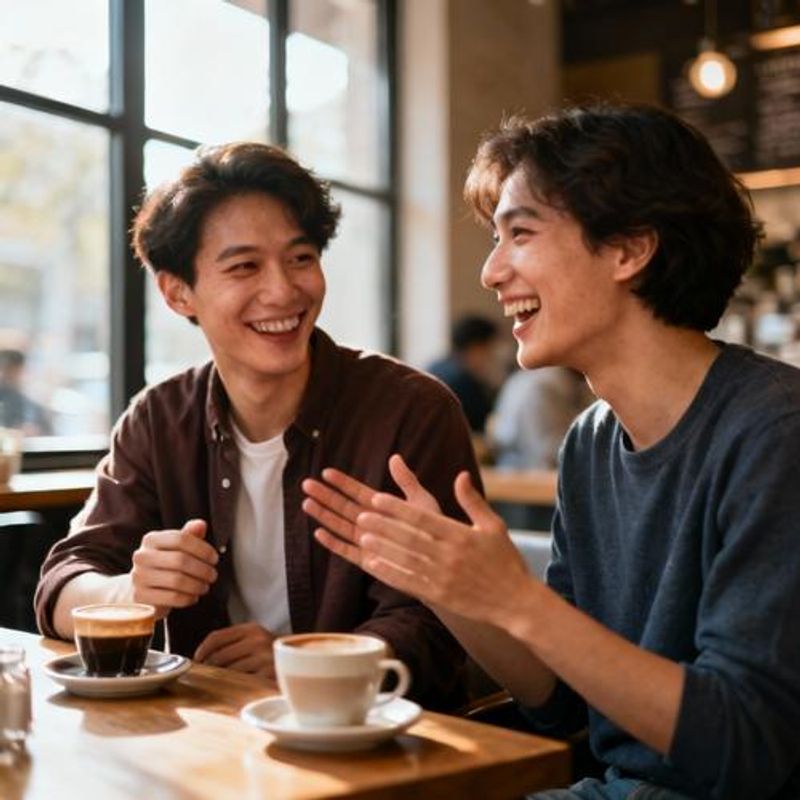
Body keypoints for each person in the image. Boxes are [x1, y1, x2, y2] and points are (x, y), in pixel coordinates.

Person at [302, 104, 800, 799]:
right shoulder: (590, 444)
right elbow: (563, 703)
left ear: (629, 249)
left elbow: (746, 749)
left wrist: (517, 600)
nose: (491, 272)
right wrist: (451, 590)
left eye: (520, 234)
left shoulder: (775, 431)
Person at [34, 142, 478, 710]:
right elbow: (64, 581)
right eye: (245, 266)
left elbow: (439, 622)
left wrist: (306, 664)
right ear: (178, 293)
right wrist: (130, 592)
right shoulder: (159, 418)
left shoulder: (411, 411)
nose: (284, 291)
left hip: (381, 743)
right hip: (212, 736)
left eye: (300, 258)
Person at [489, 367, 593, 530]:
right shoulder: (546, 387)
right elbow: (548, 452)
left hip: (513, 482)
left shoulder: (525, 379)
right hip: (529, 497)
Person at [427, 313, 501, 433]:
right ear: (477, 347)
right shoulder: (463, 382)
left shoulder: (435, 366)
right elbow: (484, 427)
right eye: (490, 349)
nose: (491, 357)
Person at [0, 348, 52, 436]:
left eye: (15, 371)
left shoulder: (32, 405)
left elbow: (47, 433)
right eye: (7, 370)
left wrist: (35, 431)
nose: (10, 375)